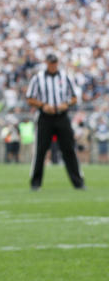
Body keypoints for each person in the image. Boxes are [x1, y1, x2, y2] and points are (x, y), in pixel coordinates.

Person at [26, 52, 85, 190]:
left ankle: (78, 182)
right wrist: (43, 105)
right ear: (46, 63)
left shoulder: (65, 77)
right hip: (45, 117)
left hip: (62, 117)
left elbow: (74, 98)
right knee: (41, 150)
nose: (53, 65)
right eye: (51, 63)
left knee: (69, 149)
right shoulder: (38, 78)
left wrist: (66, 104)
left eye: (55, 63)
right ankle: (35, 183)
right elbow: (29, 98)